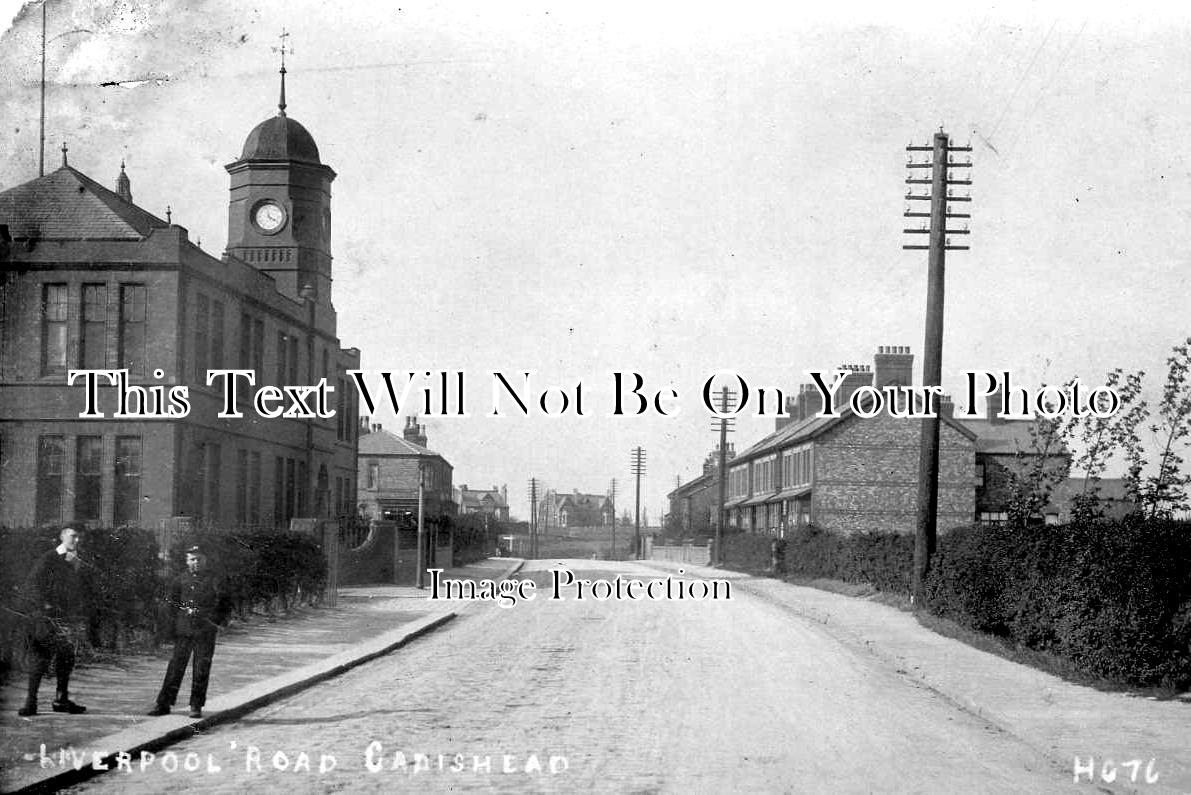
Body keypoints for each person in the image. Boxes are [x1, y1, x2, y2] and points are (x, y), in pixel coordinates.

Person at [148, 546, 232, 719]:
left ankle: (196, 706)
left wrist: (213, 620)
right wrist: (173, 625)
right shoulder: (180, 580)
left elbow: (224, 603)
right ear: (187, 561)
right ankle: (163, 704)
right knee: (175, 668)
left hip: (205, 631)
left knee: (201, 669)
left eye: (199, 559)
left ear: (205, 560)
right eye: (192, 559)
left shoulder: (214, 580)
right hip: (184, 630)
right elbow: (171, 603)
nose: (196, 562)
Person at [18, 526, 92, 717]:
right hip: (46, 616)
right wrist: (43, 606)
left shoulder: (78, 560)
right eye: (73, 536)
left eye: (80, 537)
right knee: (40, 656)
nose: (77, 540)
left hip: (68, 617)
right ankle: (31, 702)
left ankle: (61, 699)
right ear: (62, 536)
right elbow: (33, 585)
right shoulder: (49, 558)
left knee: (66, 657)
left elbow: (84, 588)